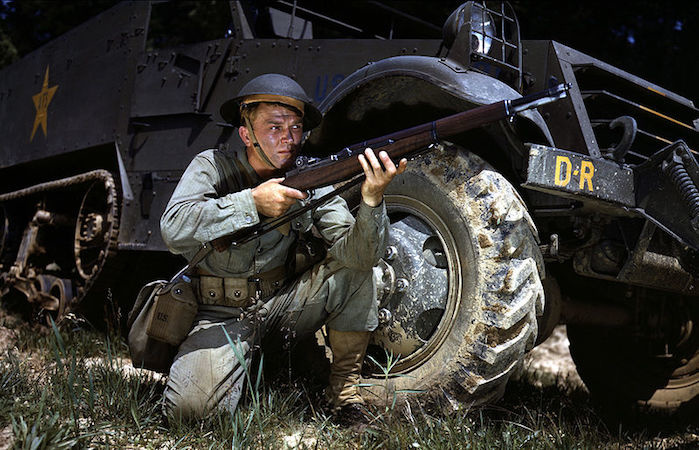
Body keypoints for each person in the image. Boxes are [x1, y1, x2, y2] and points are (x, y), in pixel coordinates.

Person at [159, 73, 407, 424]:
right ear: (246, 134)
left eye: (295, 128)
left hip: (285, 307)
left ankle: (344, 396)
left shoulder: (312, 180)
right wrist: (251, 204)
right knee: (191, 414)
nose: (288, 139)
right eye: (274, 127)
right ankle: (248, 365)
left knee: (355, 270)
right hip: (219, 314)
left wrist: (371, 200)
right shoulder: (212, 167)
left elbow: (361, 257)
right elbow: (173, 229)